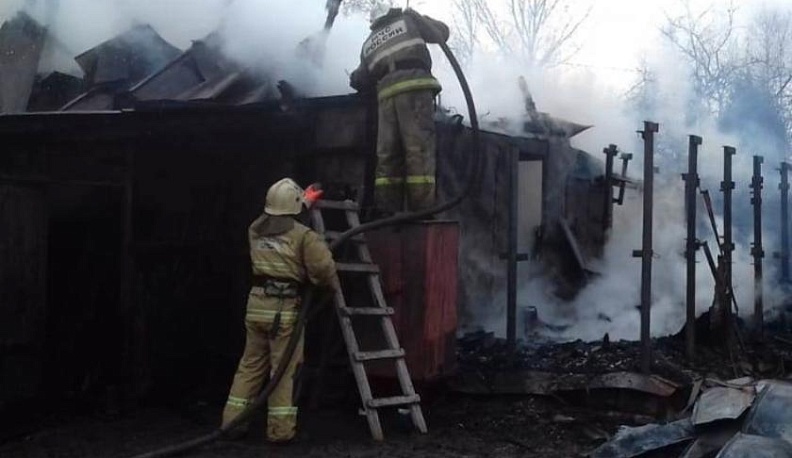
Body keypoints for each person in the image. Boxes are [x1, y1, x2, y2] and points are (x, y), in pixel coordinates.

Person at [221, 178, 339, 443]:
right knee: (284, 371)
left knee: (250, 366)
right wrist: (330, 287)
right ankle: (280, 431)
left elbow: (277, 220)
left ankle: (232, 423)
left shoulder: (255, 230)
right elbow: (323, 270)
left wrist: (303, 202)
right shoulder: (304, 237)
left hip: (257, 307)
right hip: (283, 312)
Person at [349, 5, 450, 215]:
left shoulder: (368, 43)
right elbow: (442, 33)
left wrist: (354, 77)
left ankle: (387, 211)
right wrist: (420, 17)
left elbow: (360, 79)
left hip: (386, 97)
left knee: (388, 157)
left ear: (373, 22)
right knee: (418, 150)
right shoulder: (409, 21)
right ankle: (422, 211)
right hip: (414, 88)